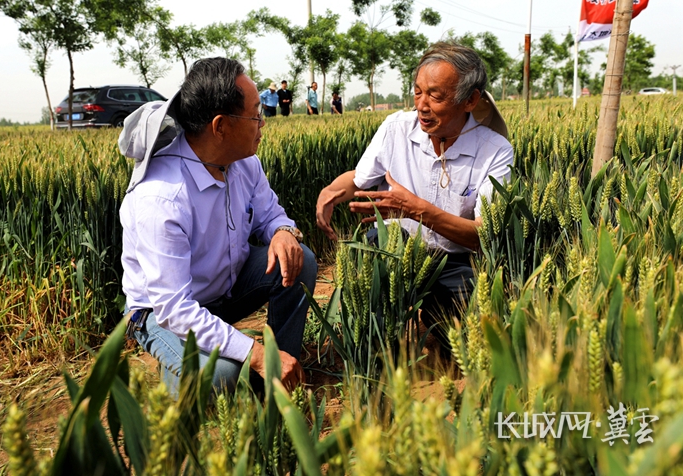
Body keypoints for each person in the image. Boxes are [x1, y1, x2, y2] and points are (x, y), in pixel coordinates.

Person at [119, 58, 317, 396]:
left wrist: (283, 232)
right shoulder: (162, 197)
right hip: (163, 312)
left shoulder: (244, 162)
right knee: (220, 377)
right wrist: (254, 352)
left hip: (226, 288)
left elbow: (271, 213)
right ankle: (185, 373)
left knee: (302, 261)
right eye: (256, 114)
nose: (262, 123)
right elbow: (175, 309)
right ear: (221, 126)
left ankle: (281, 373)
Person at [315, 42, 512, 347]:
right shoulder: (396, 128)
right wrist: (330, 192)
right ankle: (378, 345)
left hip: (454, 261)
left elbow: (482, 236)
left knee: (468, 346)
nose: (421, 104)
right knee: (370, 327)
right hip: (396, 247)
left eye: (436, 95)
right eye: (418, 91)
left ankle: (433, 312)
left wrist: (415, 209)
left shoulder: (495, 151)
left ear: (470, 100)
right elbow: (358, 179)